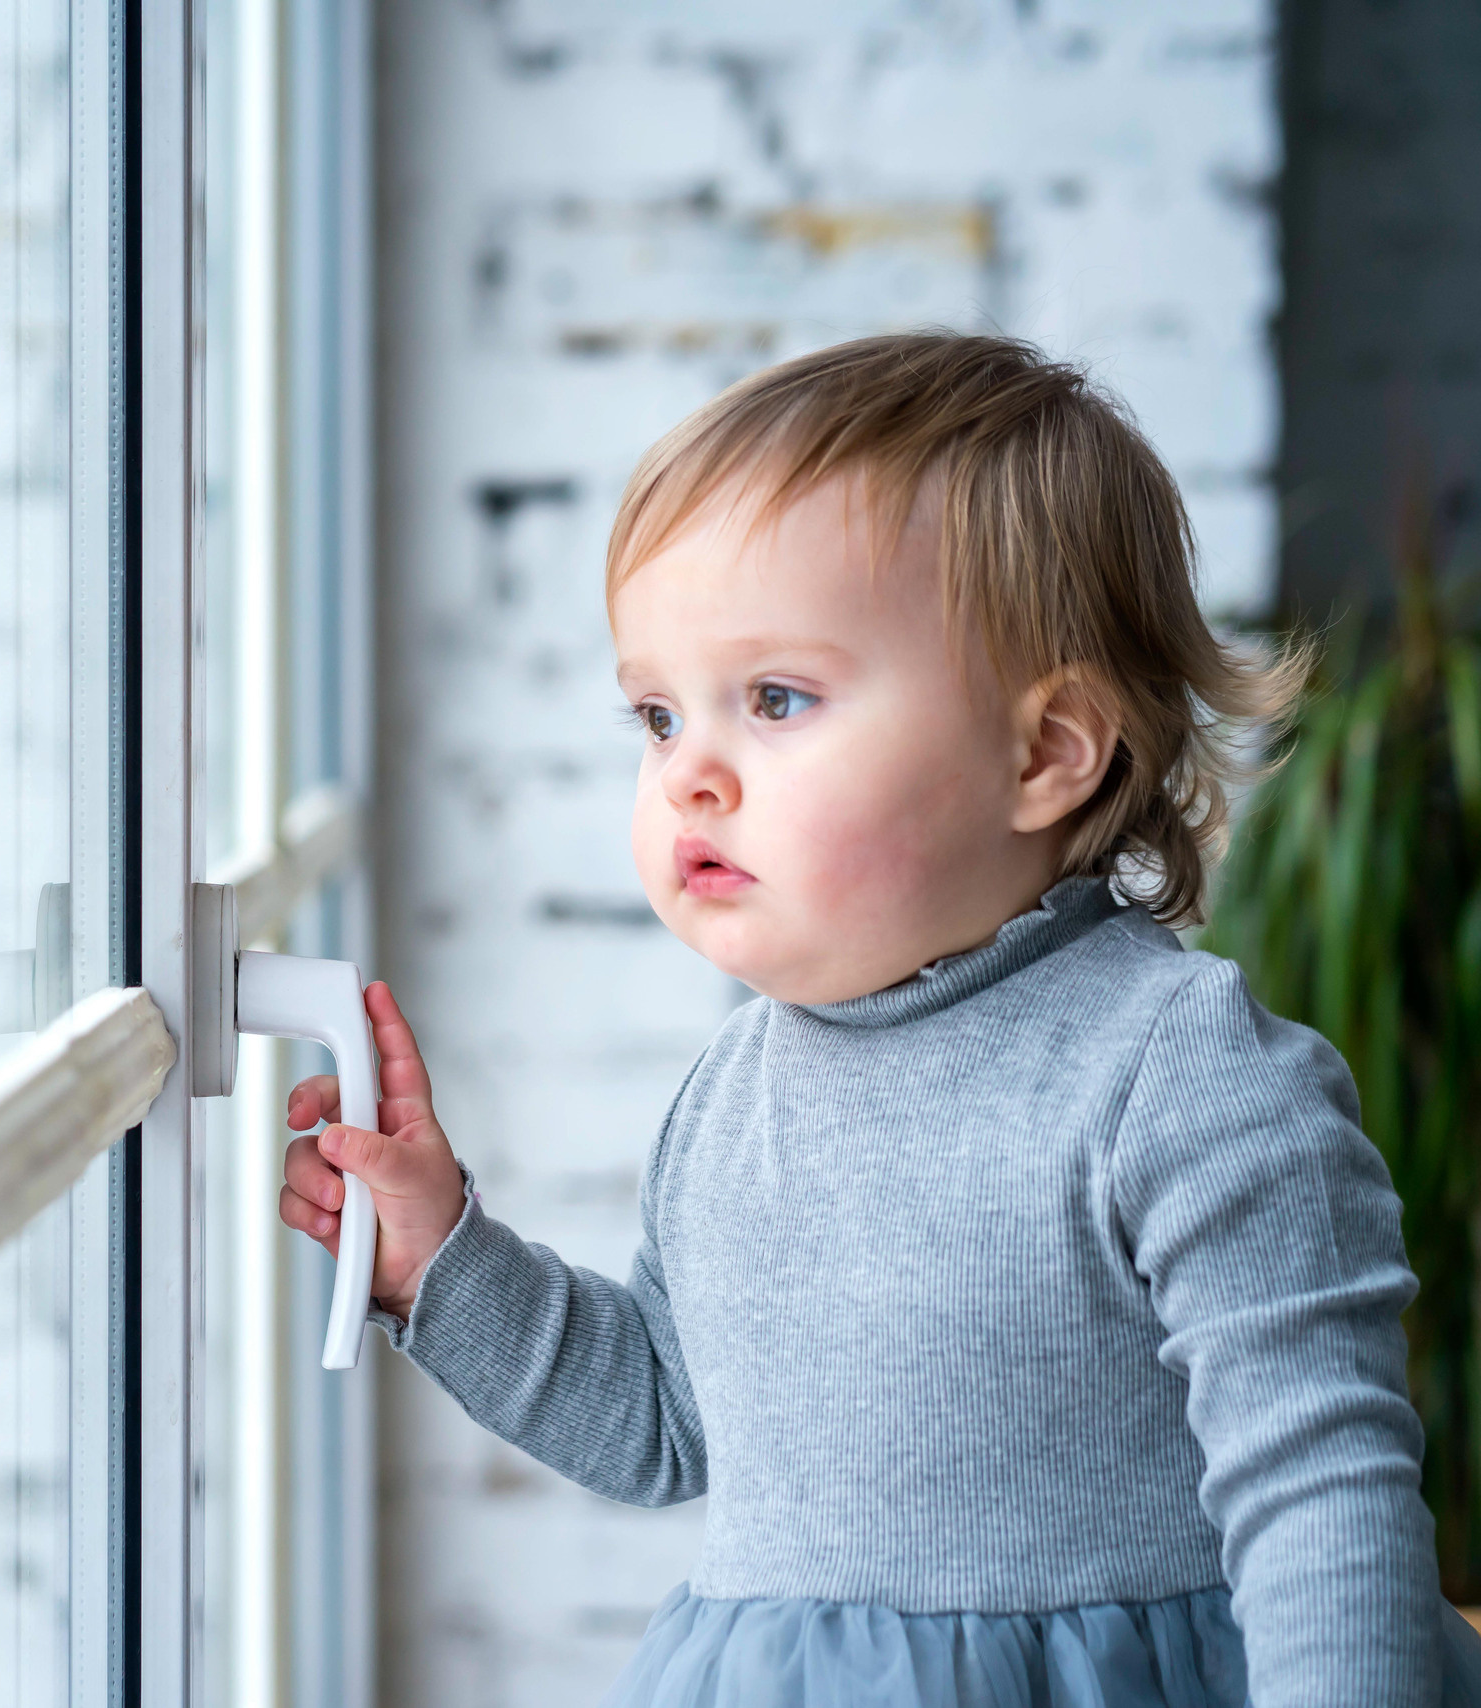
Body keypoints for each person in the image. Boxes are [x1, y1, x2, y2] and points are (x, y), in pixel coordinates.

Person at [279, 333, 1481, 1706]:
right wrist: (445, 1261)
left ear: (1044, 755)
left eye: (776, 699)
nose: (690, 777)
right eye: (658, 716)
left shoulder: (1178, 1074)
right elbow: (664, 1422)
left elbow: (1325, 1503)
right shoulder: (737, 1088)